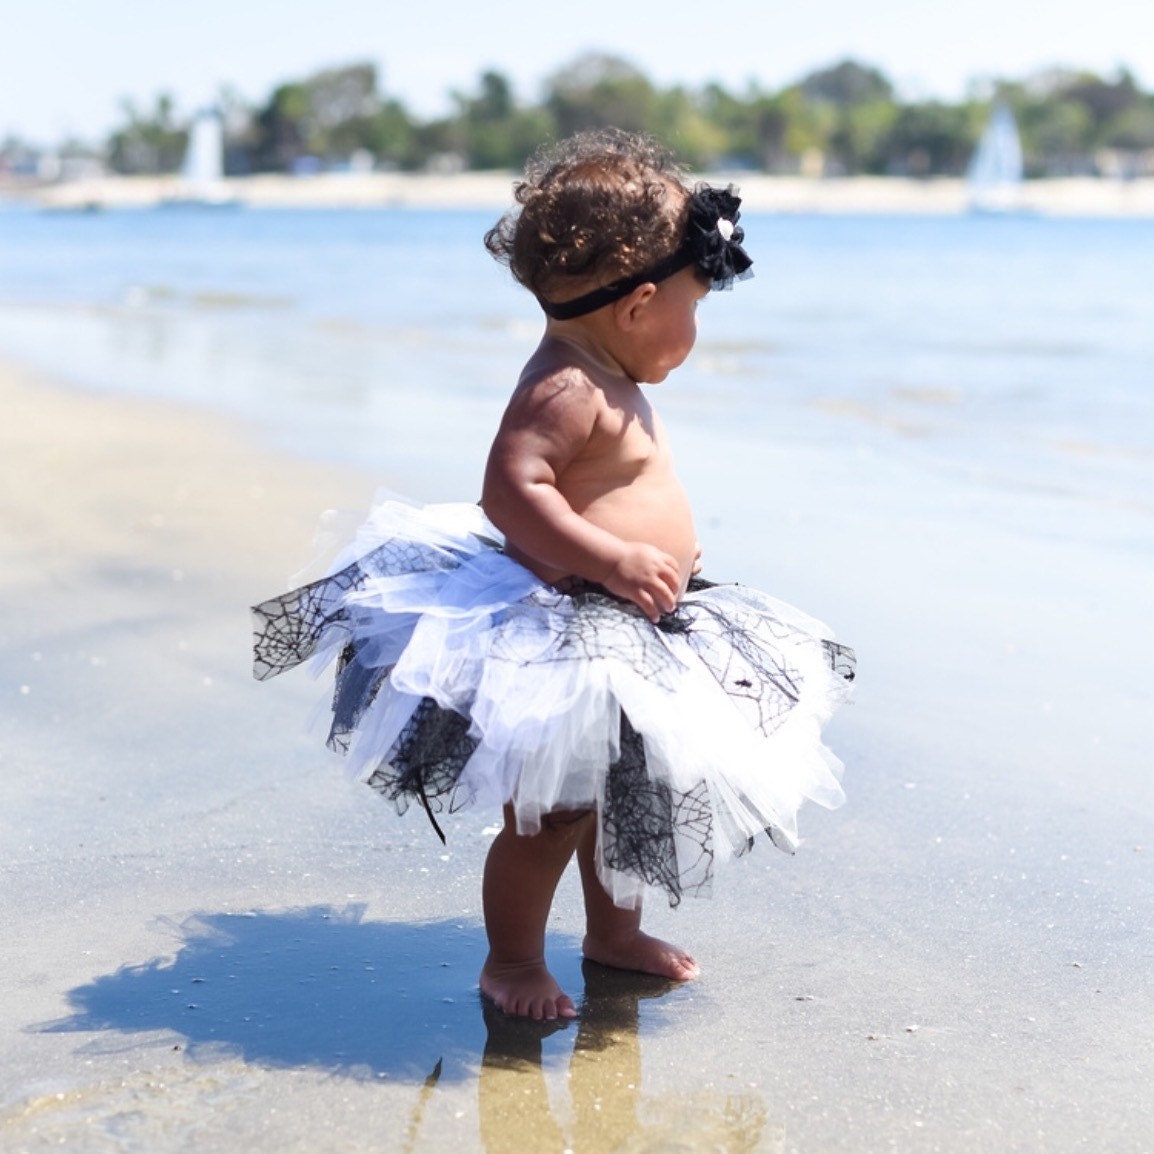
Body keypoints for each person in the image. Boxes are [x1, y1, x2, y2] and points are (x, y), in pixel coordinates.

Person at [252, 129, 855, 1022]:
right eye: (695, 304)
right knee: (551, 818)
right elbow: (509, 490)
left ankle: (613, 935)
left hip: (636, 633)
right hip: (562, 634)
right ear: (639, 305)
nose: (694, 328)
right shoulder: (568, 387)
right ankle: (513, 962)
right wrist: (608, 554)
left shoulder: (606, 369)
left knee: (625, 794)